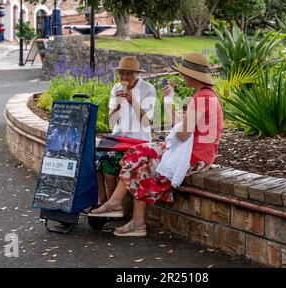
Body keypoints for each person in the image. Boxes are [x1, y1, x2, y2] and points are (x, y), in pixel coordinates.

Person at [89, 53, 224, 237]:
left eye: (184, 73)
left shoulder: (202, 98)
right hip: (193, 151)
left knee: (138, 156)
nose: (182, 77)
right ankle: (129, 214)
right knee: (138, 154)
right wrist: (169, 101)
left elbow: (183, 134)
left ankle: (124, 211)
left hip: (194, 156)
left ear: (192, 75)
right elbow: (181, 127)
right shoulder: (205, 95)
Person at [96, 56, 156, 205]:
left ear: (136, 74)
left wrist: (132, 101)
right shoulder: (116, 88)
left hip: (138, 140)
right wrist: (117, 105)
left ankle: (112, 205)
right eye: (121, 73)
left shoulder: (147, 89)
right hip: (118, 138)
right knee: (95, 157)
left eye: (128, 74)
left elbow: (147, 122)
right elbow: (111, 121)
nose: (124, 77)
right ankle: (103, 202)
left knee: (109, 159)